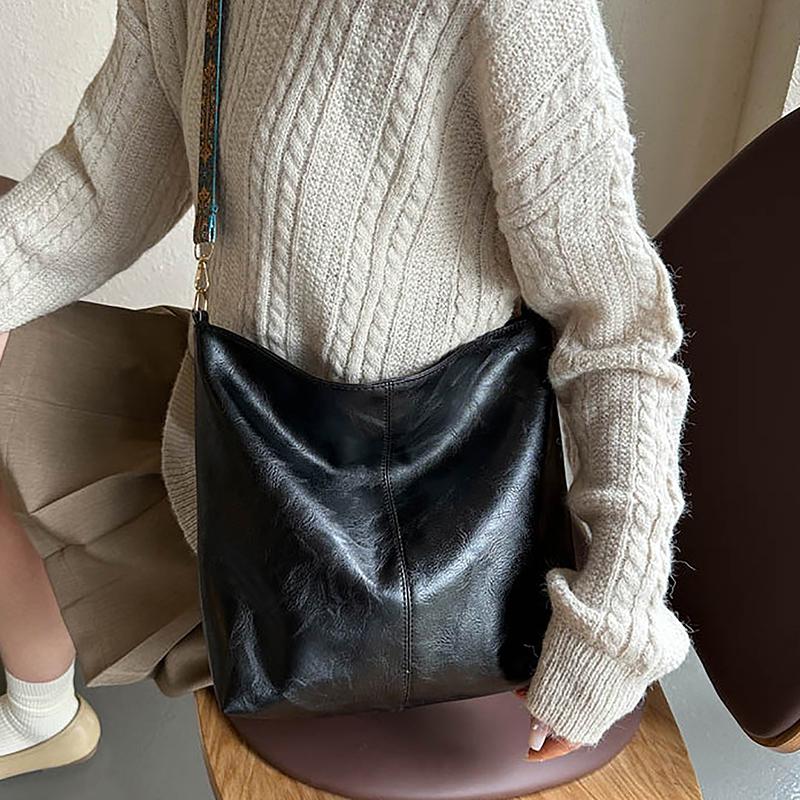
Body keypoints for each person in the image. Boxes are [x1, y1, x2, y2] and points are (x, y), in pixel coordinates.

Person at [0, 0, 693, 779]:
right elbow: (104, 190)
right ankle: (40, 709)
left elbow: (614, 324)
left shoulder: (509, 12)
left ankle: (44, 706)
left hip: (431, 548)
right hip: (234, 467)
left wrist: (614, 618)